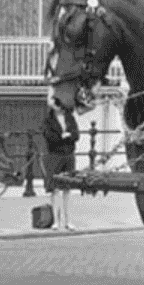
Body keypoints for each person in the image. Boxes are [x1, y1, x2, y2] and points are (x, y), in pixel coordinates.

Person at [42, 93, 80, 230]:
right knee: (55, 189)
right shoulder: (48, 120)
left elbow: (76, 135)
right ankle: (56, 221)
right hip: (55, 156)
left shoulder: (70, 118)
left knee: (67, 189)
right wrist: (64, 137)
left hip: (68, 155)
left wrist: (67, 136)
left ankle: (68, 220)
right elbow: (49, 138)